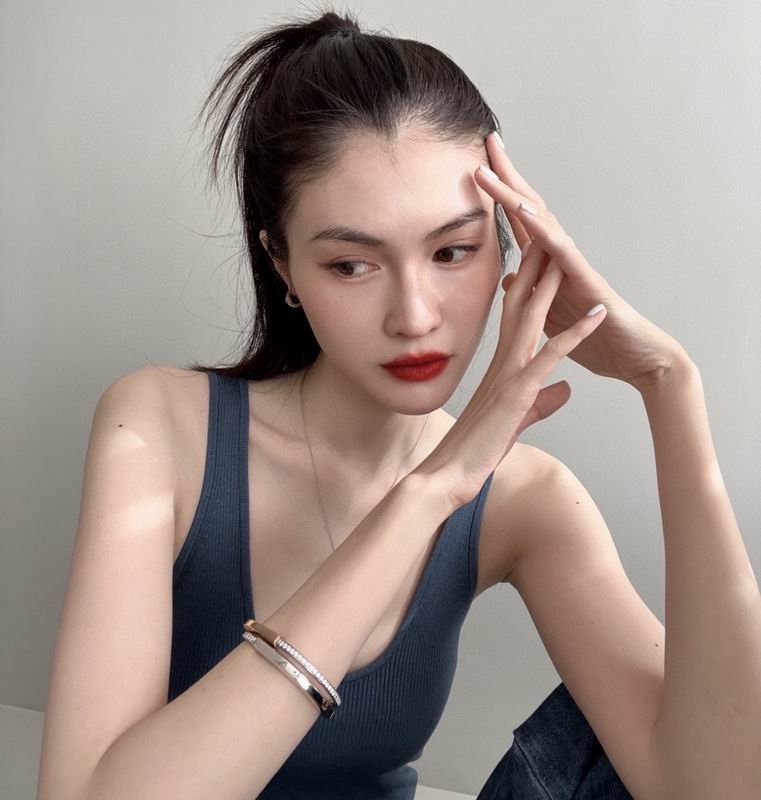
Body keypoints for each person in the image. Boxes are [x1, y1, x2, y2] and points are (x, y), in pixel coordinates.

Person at [37, 7, 759, 800]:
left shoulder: (527, 501)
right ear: (281, 264)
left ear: (508, 243)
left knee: (685, 714)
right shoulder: (162, 427)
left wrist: (668, 382)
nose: (413, 316)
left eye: (453, 251)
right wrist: (427, 493)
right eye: (351, 264)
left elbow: (715, 786)